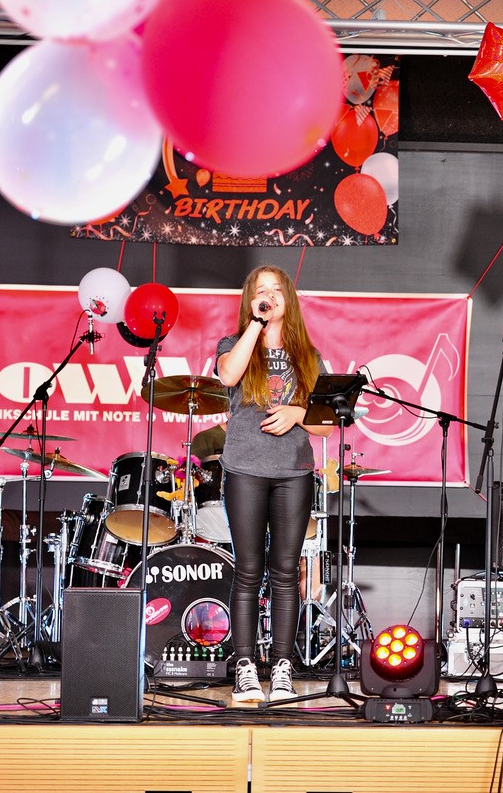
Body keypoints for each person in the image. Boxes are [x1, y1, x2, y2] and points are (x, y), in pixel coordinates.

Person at [216, 265, 333, 702]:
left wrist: (298, 413)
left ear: (289, 300)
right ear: (251, 300)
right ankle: (245, 667)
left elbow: (324, 425)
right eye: (260, 291)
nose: (269, 296)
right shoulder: (233, 344)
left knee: (285, 572)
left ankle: (283, 667)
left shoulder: (308, 356)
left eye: (276, 290)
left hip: (293, 472)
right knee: (248, 571)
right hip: (244, 468)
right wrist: (256, 325)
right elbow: (228, 376)